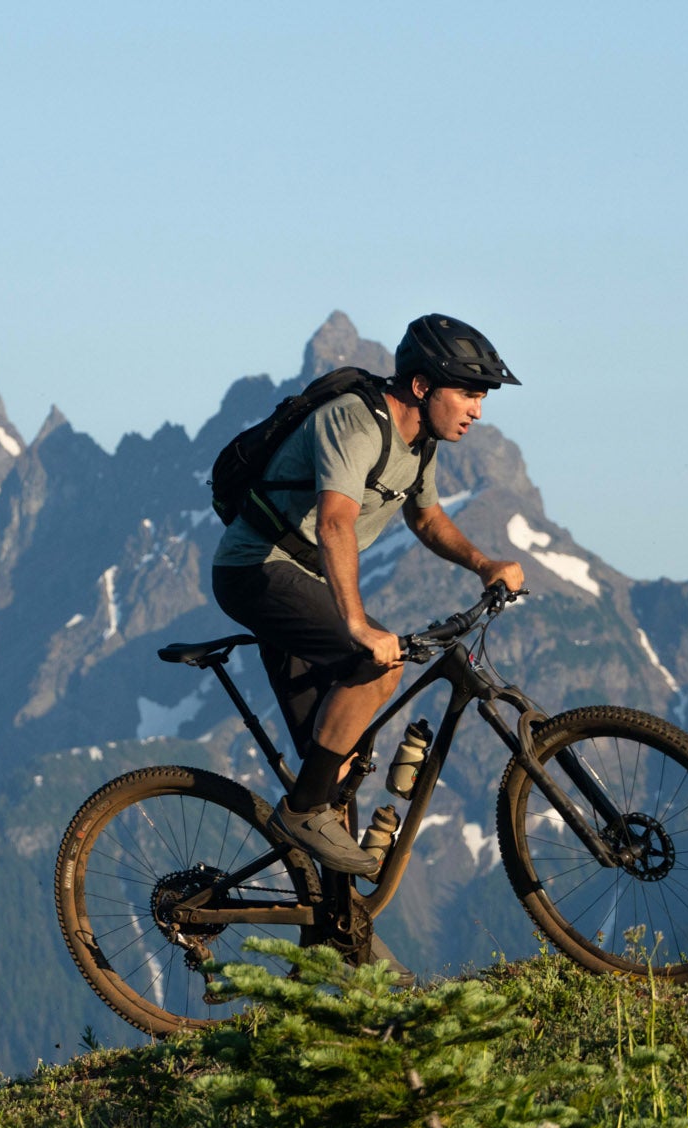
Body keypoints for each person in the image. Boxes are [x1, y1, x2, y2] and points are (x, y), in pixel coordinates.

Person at [211, 313, 527, 874]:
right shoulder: (355, 423)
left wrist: (484, 565)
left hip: (306, 580)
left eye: (482, 398)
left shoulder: (420, 442)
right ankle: (302, 812)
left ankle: (341, 944)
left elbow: (427, 521)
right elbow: (335, 524)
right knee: (380, 668)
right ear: (423, 386)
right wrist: (359, 628)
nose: (478, 411)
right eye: (469, 395)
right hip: (256, 569)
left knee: (340, 760)